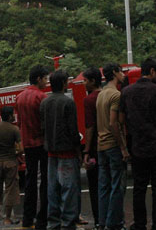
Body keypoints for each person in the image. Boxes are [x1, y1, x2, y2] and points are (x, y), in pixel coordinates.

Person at [120, 57, 156, 230]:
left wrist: (125, 145)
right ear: (152, 71)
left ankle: (139, 223)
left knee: (139, 187)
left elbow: (121, 121)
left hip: (138, 147)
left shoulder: (127, 92)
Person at [40, 70, 81, 230]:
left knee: (53, 189)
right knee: (68, 189)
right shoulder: (68, 102)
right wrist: (78, 151)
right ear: (64, 83)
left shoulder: (45, 102)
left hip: (51, 151)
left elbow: (43, 127)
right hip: (67, 151)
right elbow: (73, 129)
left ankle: (53, 223)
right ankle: (68, 223)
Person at [15, 65, 49, 230]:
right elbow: (45, 124)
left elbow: (19, 123)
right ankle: (42, 218)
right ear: (39, 79)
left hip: (27, 144)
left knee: (29, 181)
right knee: (44, 181)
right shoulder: (42, 97)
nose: (47, 81)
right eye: (45, 78)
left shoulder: (19, 97)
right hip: (41, 144)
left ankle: (27, 218)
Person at [95, 63, 128, 230]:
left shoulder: (101, 94)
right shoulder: (116, 95)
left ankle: (102, 222)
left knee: (104, 186)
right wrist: (123, 147)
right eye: (121, 71)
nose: (123, 74)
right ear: (115, 73)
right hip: (113, 145)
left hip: (101, 145)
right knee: (117, 185)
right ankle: (114, 223)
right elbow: (114, 123)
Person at [0, 106, 23, 224]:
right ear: (10, 115)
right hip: (10, 162)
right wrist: (15, 153)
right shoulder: (14, 129)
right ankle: (7, 218)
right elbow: (21, 149)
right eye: (13, 114)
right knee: (10, 189)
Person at [81, 67, 102, 230]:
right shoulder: (109, 95)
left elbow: (89, 127)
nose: (83, 83)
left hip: (95, 148)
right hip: (110, 146)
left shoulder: (89, 100)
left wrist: (86, 151)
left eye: (85, 80)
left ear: (93, 81)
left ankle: (98, 221)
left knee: (94, 186)